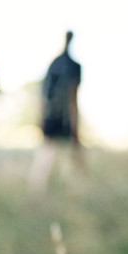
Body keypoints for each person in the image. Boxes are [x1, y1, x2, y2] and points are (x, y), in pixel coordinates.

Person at [29, 30, 83, 192]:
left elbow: (43, 93)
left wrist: (41, 117)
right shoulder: (74, 66)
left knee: (47, 154)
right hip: (64, 118)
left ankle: (38, 190)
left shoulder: (53, 64)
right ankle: (70, 191)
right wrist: (75, 126)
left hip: (50, 117)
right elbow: (73, 98)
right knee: (69, 157)